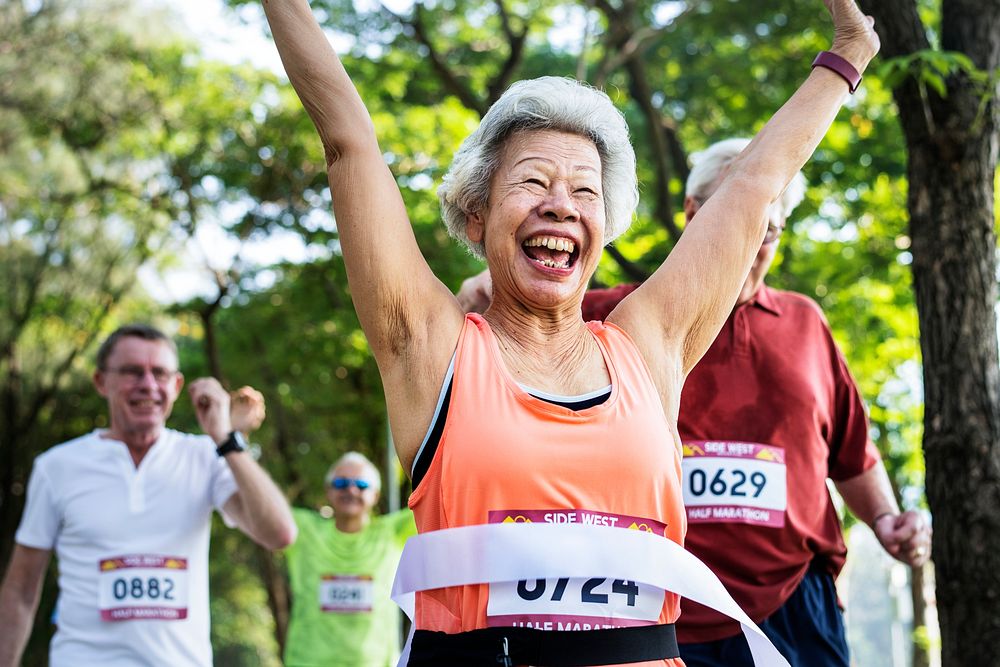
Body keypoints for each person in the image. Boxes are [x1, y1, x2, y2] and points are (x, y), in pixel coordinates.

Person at [260, 0, 879, 663]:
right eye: (532, 181)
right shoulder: (432, 349)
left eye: (586, 192)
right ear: (476, 216)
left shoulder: (648, 346)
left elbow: (754, 187)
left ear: (605, 227)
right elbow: (348, 139)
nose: (561, 202)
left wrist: (847, 55)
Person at [579, 138, 930, 666]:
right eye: (734, 222)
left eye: (765, 231)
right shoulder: (610, 316)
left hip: (795, 609)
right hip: (652, 608)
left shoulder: (806, 323)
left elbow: (854, 456)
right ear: (693, 214)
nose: (748, 245)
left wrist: (886, 520)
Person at [0, 324, 297, 667]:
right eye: (131, 372)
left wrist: (225, 437)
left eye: (160, 373)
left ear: (177, 385)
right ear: (101, 381)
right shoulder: (57, 467)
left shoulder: (206, 456)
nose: (148, 384)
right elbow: (20, 591)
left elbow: (279, 534)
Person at [283, 451, 416, 667]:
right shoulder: (302, 529)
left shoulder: (393, 532)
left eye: (361, 485)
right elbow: (264, 507)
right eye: (341, 483)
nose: (351, 490)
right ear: (328, 491)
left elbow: (438, 497)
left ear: (375, 494)